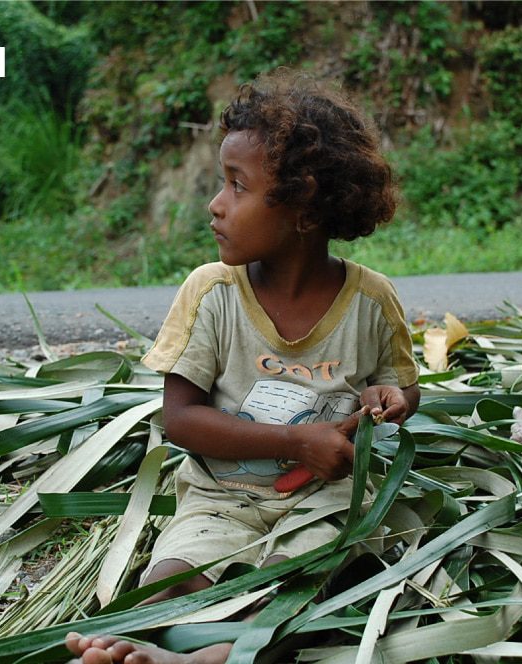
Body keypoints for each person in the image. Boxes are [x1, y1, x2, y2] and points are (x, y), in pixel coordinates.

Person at [66, 70, 420, 664]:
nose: (215, 204)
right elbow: (179, 419)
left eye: (237, 186)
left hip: (323, 502)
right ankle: (146, 637)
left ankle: (205, 659)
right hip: (219, 496)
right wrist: (294, 441)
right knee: (174, 570)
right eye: (221, 183)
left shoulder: (370, 301)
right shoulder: (211, 293)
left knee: (297, 583)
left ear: (303, 209)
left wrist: (395, 399)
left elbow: (404, 387)